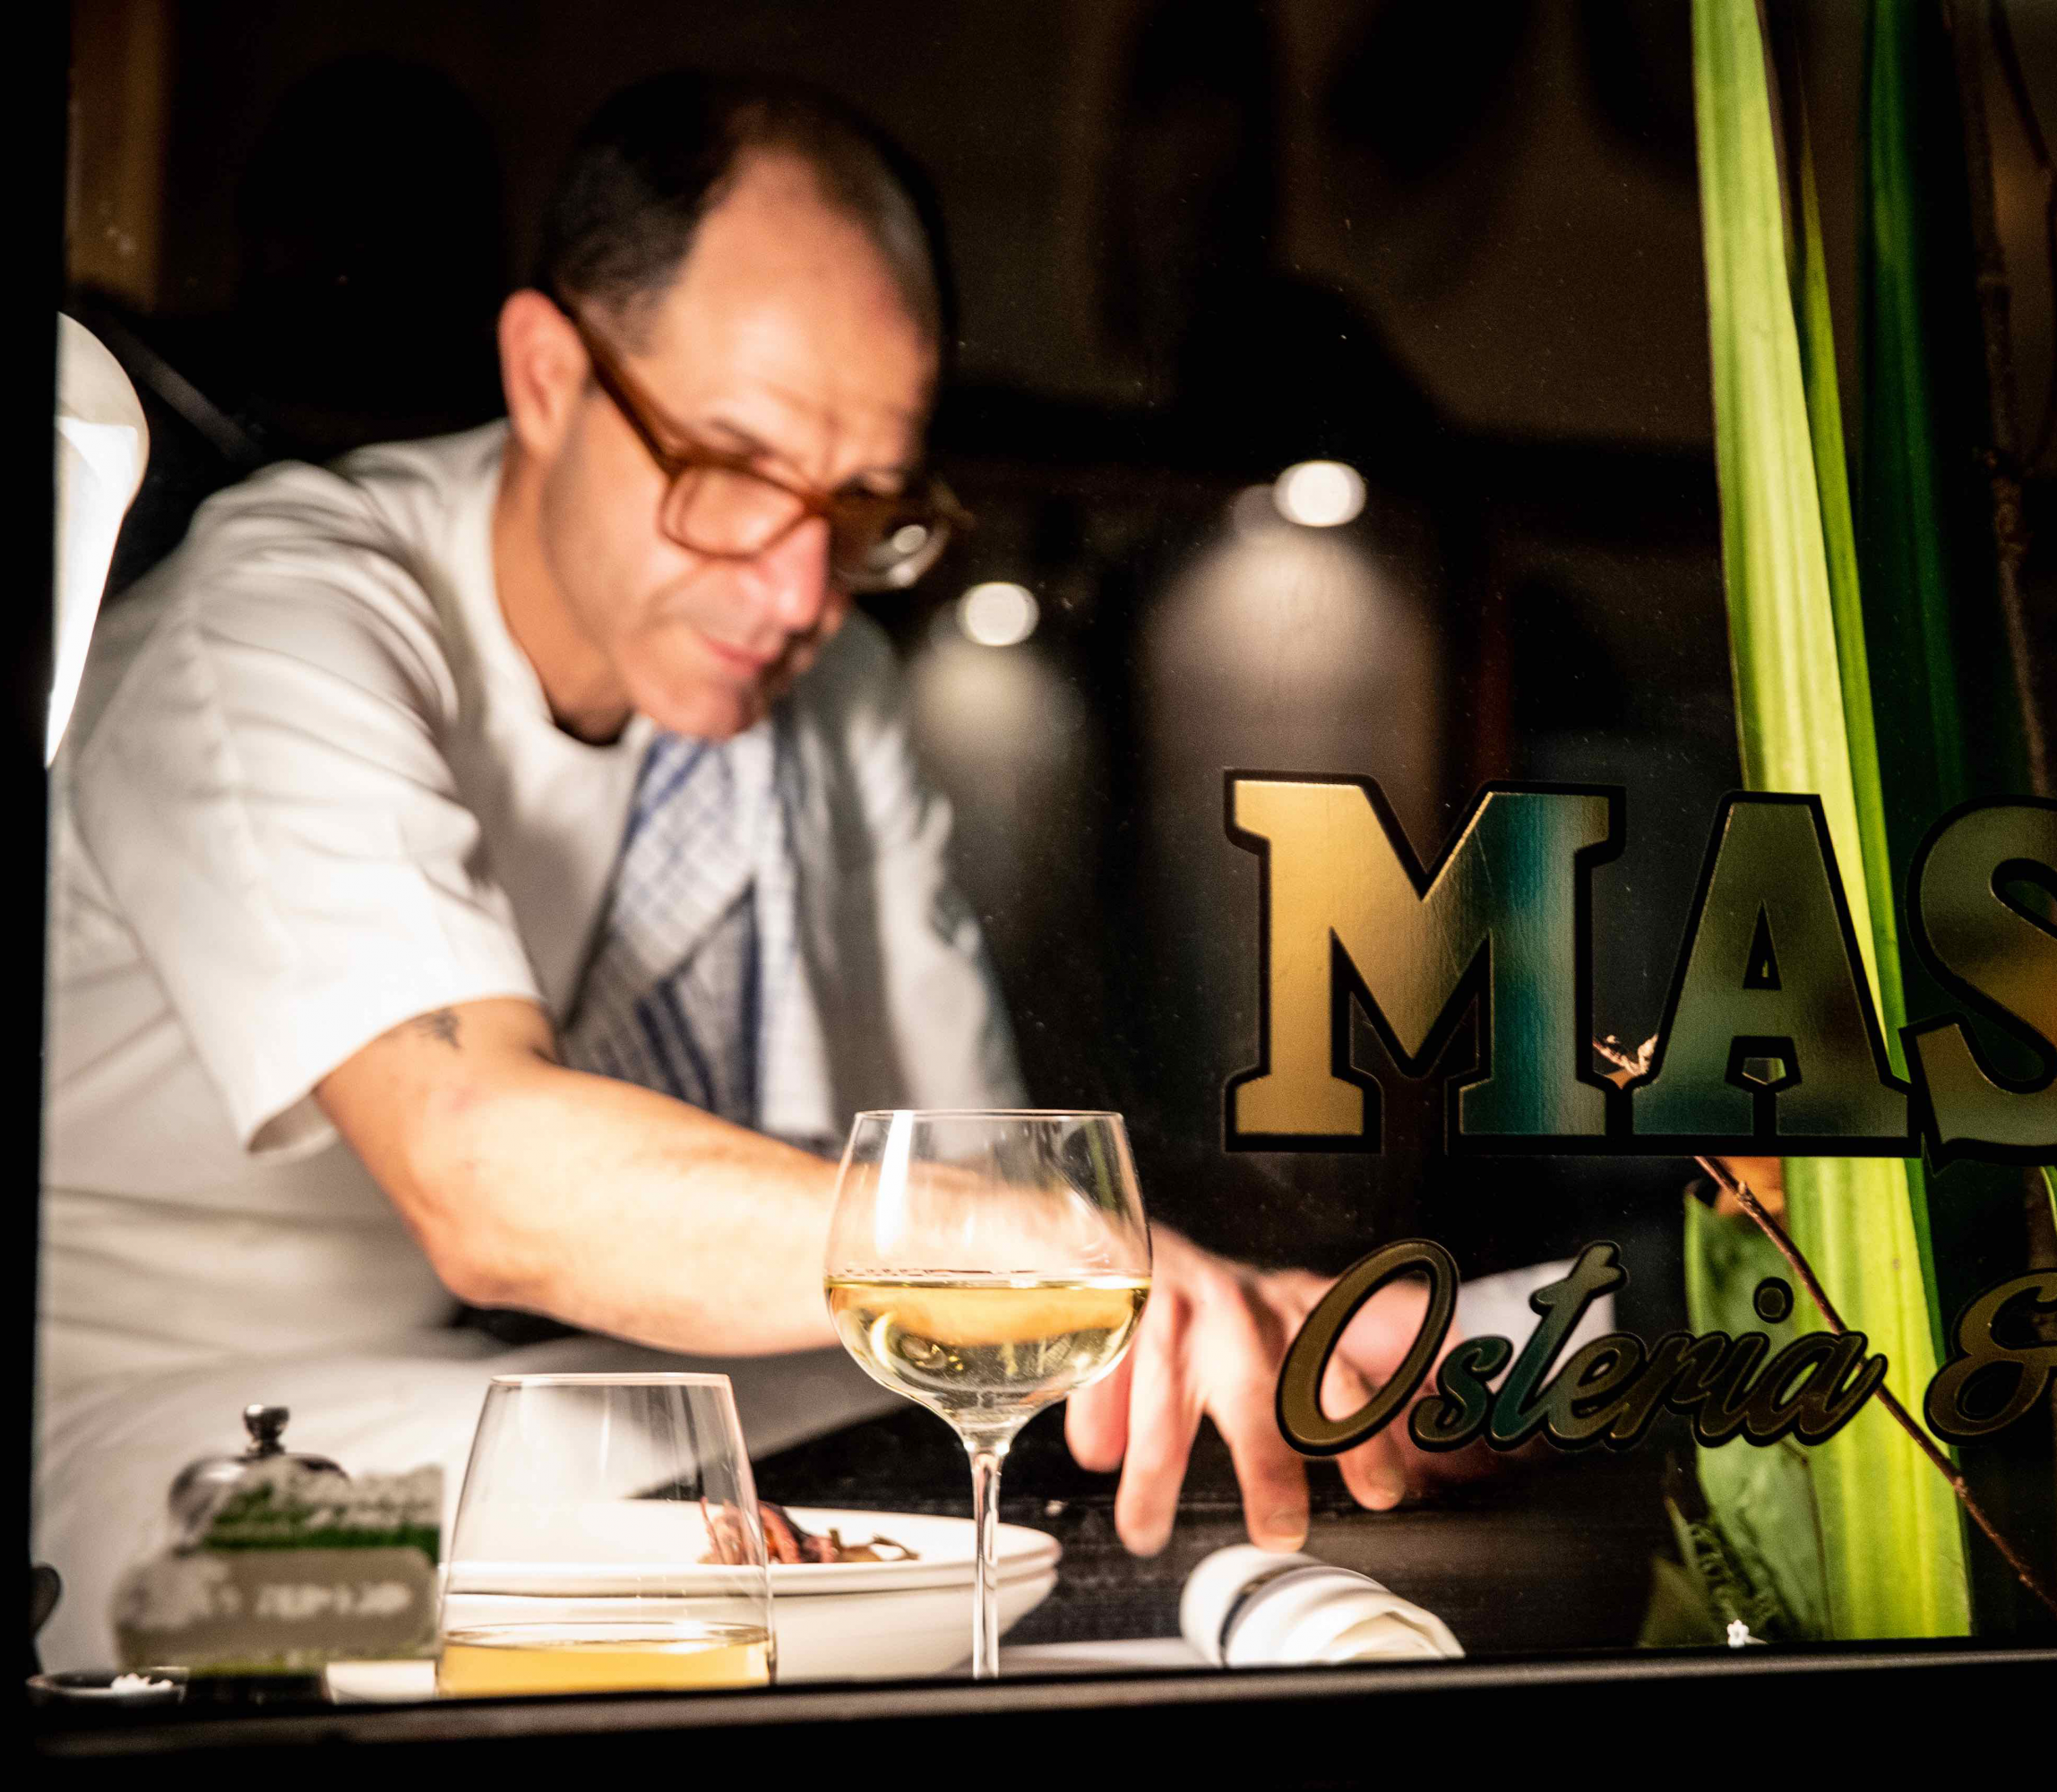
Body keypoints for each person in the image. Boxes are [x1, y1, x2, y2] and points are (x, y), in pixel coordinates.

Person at [35, 71, 1427, 1673]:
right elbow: (484, 1171)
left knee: (878, 1504)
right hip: (128, 1435)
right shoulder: (278, 620)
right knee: (683, 1544)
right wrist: (1070, 1258)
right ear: (549, 373)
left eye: (859, 512)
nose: (793, 589)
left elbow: (953, 1174)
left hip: (514, 1388)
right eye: (735, 476)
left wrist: (1267, 1330)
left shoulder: (813, 687)